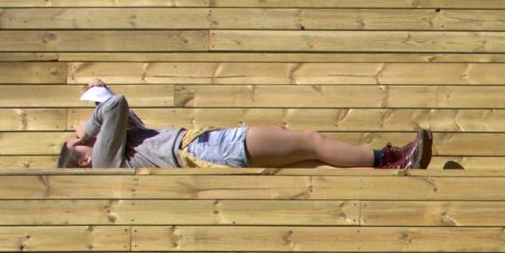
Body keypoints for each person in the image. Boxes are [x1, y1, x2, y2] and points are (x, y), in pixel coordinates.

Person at [57, 83, 434, 171]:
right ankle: (389, 159)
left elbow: (123, 115)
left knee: (314, 164)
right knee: (310, 142)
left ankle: (389, 167)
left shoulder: (121, 153)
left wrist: (97, 94)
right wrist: (87, 129)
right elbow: (116, 105)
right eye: (81, 145)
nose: (86, 140)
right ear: (84, 160)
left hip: (202, 154)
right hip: (202, 148)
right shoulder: (104, 165)